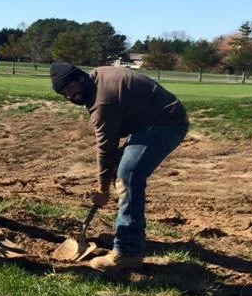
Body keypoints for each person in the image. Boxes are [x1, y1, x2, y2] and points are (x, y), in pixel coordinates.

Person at [50, 62, 188, 270]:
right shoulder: (96, 79)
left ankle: (128, 252)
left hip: (166, 123)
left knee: (128, 175)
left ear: (80, 78)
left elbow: (106, 149)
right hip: (150, 122)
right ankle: (134, 236)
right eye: (63, 93)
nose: (69, 96)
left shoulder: (102, 101)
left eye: (70, 88)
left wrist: (102, 189)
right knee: (121, 171)